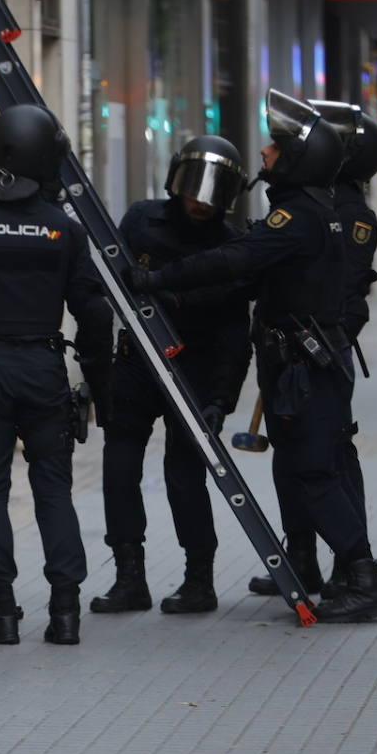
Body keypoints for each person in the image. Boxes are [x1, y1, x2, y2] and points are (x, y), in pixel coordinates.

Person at [129, 90, 377, 623]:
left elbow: (235, 260)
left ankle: (364, 579)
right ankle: (339, 571)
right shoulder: (313, 212)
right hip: (303, 363)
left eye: (275, 147)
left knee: (314, 472)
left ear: (298, 160)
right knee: (304, 468)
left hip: (306, 366)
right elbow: (253, 273)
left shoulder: (295, 218)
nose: (265, 154)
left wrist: (156, 280)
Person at [0, 104, 113, 646]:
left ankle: (2, 612)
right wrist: (98, 385)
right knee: (54, 490)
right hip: (44, 369)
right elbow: (95, 313)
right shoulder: (64, 229)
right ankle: (66, 613)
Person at [90, 135, 252, 617]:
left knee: (185, 478)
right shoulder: (141, 220)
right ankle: (128, 576)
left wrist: (222, 400)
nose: (201, 203)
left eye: (212, 194)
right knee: (119, 470)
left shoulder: (232, 245)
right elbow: (107, 284)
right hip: (137, 364)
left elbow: (233, 332)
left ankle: (198, 580)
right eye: (193, 189)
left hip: (196, 371)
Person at [248, 100, 377, 599]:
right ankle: (301, 559)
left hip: (316, 356)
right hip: (287, 353)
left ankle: (354, 567)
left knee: (325, 462)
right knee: (293, 462)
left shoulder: (346, 213)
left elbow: (336, 293)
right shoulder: (313, 200)